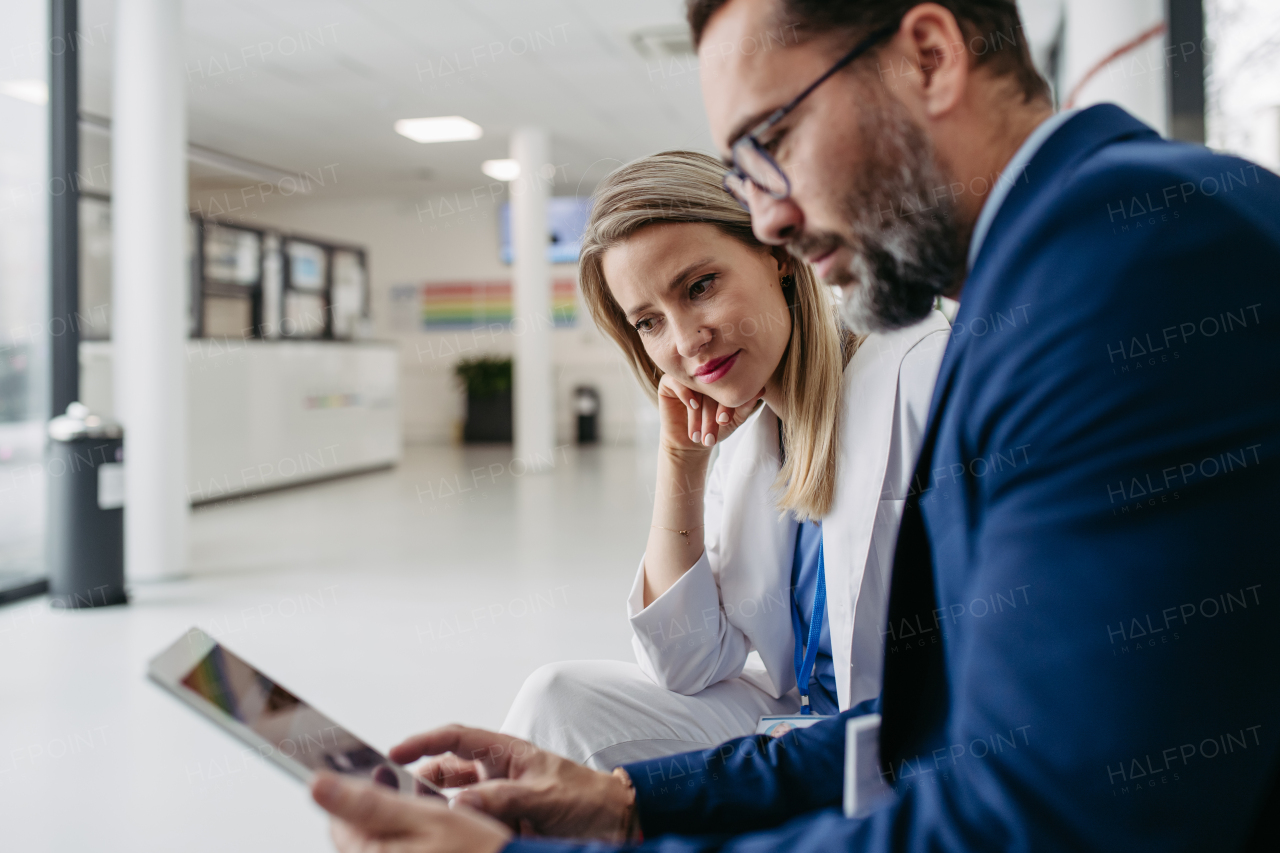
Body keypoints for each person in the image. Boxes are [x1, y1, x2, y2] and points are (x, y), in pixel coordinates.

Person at [308, 0, 1280, 850]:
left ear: (929, 57)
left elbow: (1041, 817)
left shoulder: (1130, 270)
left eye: (770, 139)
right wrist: (623, 803)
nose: (767, 218)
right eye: (741, 172)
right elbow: (933, 730)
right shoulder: (1047, 276)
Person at [498, 150, 949, 769]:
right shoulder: (747, 431)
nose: (686, 342)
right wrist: (680, 462)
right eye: (649, 322)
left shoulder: (920, 374)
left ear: (777, 253)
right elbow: (686, 663)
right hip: (809, 726)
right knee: (557, 701)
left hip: (919, 742)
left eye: (700, 287)